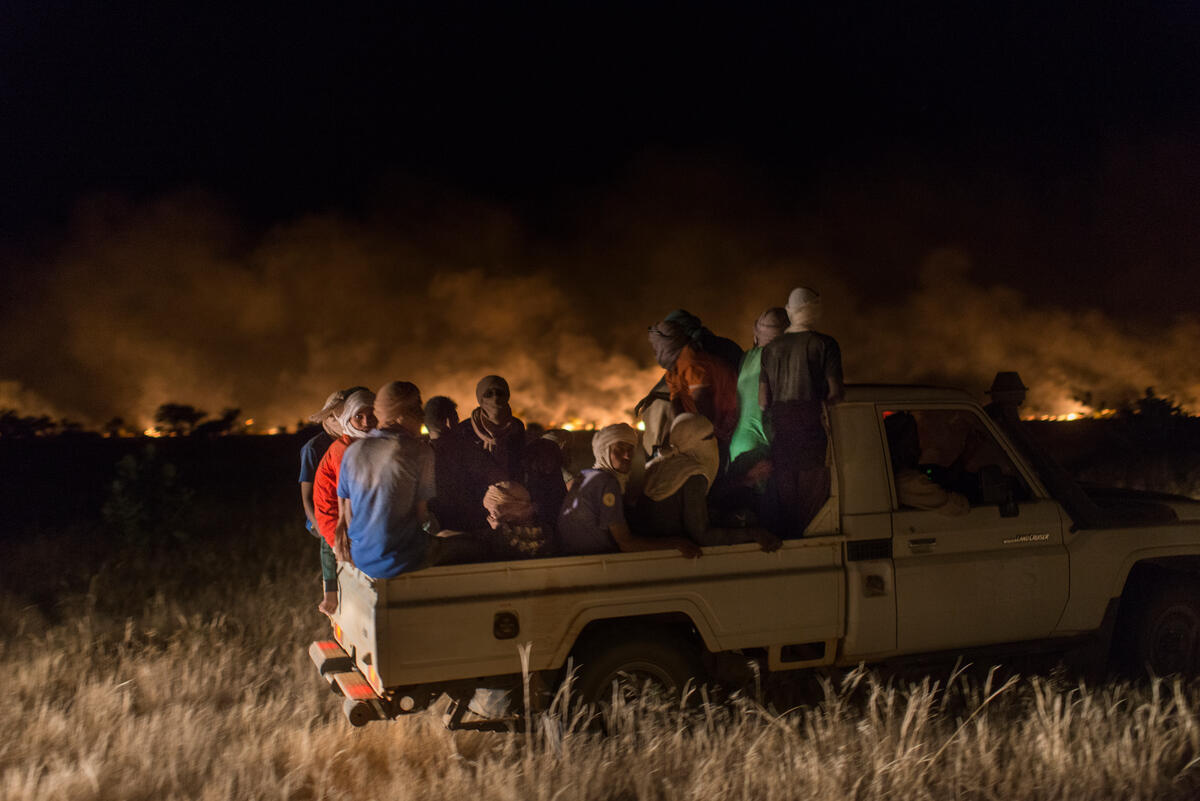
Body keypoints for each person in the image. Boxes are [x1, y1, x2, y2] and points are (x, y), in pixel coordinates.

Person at [759, 287, 844, 536]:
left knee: (788, 514)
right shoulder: (825, 344)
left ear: (789, 311)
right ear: (816, 310)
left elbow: (763, 400)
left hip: (782, 441)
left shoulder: (770, 350)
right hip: (811, 442)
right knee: (810, 515)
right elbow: (835, 393)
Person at [334, 381, 436, 579]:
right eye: (417, 408)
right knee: (468, 544)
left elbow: (348, 514)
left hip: (362, 558)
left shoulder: (352, 451)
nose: (422, 415)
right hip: (403, 558)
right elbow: (422, 516)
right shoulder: (421, 451)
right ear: (400, 414)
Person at [558, 423, 701, 558]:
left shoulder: (586, 474)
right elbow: (626, 544)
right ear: (604, 450)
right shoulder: (607, 483)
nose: (627, 455)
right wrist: (675, 544)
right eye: (620, 448)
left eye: (631, 448)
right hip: (597, 563)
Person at [299, 386, 366, 608]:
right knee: (331, 534)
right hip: (322, 508)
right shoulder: (314, 448)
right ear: (327, 419)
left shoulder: (357, 439)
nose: (341, 419)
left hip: (350, 505)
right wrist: (318, 523)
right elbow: (308, 496)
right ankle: (330, 594)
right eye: (336, 416)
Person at [311, 389, 376, 614]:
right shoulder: (342, 449)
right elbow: (350, 498)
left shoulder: (372, 443)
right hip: (336, 515)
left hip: (356, 513)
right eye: (359, 417)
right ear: (347, 418)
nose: (367, 422)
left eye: (372, 415)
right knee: (335, 544)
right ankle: (331, 594)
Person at [648, 318, 739, 462]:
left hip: (723, 428)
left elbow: (704, 409)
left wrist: (690, 442)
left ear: (668, 344)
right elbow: (676, 406)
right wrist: (672, 439)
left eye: (656, 347)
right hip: (702, 428)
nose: (655, 353)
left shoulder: (693, 363)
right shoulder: (673, 370)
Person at [636, 413, 720, 541]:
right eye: (709, 437)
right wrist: (753, 534)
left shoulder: (657, 463)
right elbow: (701, 534)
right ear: (691, 441)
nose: (715, 440)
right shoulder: (693, 475)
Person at [728, 307, 790, 476]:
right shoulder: (780, 362)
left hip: (737, 445)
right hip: (761, 452)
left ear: (756, 336)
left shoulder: (746, 358)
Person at [884, 412, 969, 515]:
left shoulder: (894, 478)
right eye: (914, 438)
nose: (919, 444)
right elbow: (956, 506)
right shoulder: (909, 483)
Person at [463, 375, 526, 478]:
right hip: (477, 489)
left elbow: (519, 462)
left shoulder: (517, 426)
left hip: (510, 486)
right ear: (480, 398)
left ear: (507, 395)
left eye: (499, 393)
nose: (495, 397)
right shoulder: (466, 428)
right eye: (489, 394)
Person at [521, 436, 568, 529]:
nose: (548, 464)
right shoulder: (532, 482)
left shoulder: (555, 478)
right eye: (543, 460)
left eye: (551, 459)